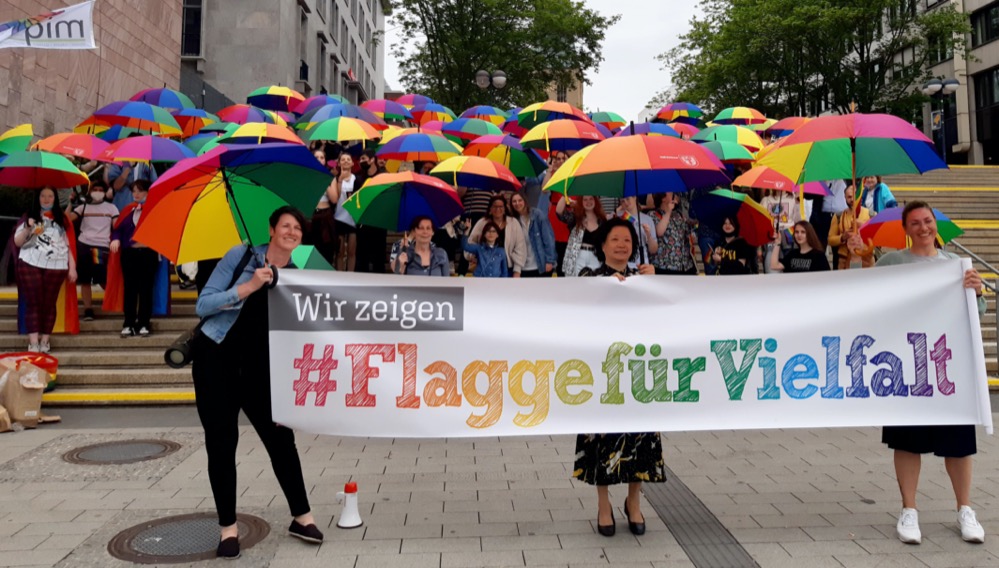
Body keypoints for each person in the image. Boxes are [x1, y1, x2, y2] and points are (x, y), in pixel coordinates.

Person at [194, 206, 323, 559]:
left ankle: (302, 516)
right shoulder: (240, 256)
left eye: (297, 227)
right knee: (221, 444)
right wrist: (248, 286)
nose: (292, 231)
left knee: (282, 440)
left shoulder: (296, 275)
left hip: (260, 372)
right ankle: (228, 530)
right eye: (285, 225)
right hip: (215, 361)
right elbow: (202, 305)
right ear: (271, 229)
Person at [876, 200, 987, 545]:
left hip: (948, 366)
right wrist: (856, 258)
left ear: (935, 224)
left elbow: (976, 312)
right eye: (915, 223)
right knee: (908, 440)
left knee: (958, 442)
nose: (923, 228)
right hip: (906, 366)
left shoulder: (956, 265)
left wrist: (977, 291)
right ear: (906, 230)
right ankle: (909, 509)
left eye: (927, 221)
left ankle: (965, 508)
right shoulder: (892, 262)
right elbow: (867, 297)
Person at [574, 217, 665, 537]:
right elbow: (576, 317)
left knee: (639, 438)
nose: (621, 245)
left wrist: (658, 281)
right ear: (602, 245)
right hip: (602, 374)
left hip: (638, 372)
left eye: (627, 240)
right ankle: (603, 505)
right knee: (602, 439)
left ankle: (633, 501)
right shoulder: (589, 278)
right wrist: (606, 288)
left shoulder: (644, 278)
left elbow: (668, 315)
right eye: (614, 239)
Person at [13, 186, 77, 353]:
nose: (47, 199)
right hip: (30, 262)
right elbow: (18, 242)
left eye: (50, 196)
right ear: (38, 198)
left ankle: (45, 341)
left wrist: (73, 267)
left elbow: (69, 245)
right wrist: (28, 227)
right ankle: (33, 342)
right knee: (33, 302)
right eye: (43, 196)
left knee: (49, 304)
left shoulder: (62, 220)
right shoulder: (29, 217)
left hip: (57, 265)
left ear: (55, 198)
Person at [110, 180, 159, 337]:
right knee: (130, 290)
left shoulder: (154, 210)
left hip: (148, 253)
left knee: (146, 289)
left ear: (147, 192)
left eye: (140, 191)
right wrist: (115, 239)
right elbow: (117, 228)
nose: (136, 194)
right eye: (134, 191)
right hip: (130, 254)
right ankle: (128, 323)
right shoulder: (127, 210)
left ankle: (144, 322)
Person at [67, 180, 119, 321]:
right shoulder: (83, 207)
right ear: (90, 192)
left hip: (102, 246)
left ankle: (115, 301)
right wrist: (70, 202)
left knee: (103, 278)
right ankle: (88, 309)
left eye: (100, 189)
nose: (97, 191)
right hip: (84, 244)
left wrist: (117, 237)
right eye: (95, 189)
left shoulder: (111, 208)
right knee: (85, 280)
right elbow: (67, 219)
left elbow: (117, 225)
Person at [468, 195, 527, 277]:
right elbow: (470, 241)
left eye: (501, 206)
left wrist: (517, 270)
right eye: (495, 206)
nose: (498, 209)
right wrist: (472, 256)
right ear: (490, 209)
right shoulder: (482, 222)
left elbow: (520, 247)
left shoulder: (513, 223)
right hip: (485, 270)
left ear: (505, 208)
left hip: (508, 270)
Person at [354, 149, 388, 273]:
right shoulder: (358, 179)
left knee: (378, 259)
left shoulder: (383, 177)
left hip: (379, 223)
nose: (361, 161)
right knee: (362, 258)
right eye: (360, 159)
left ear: (372, 159)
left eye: (363, 158)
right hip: (363, 223)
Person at [828, 182, 874, 269]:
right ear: (844, 197)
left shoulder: (870, 214)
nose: (852, 199)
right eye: (849, 197)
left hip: (866, 259)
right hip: (844, 261)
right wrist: (842, 237)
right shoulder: (838, 216)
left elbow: (877, 237)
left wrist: (864, 227)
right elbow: (830, 240)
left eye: (855, 196)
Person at [557, 195, 606, 277]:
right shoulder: (576, 217)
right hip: (578, 255)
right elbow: (559, 212)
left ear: (595, 201)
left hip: (596, 256)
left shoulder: (602, 219)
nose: (588, 202)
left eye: (591, 199)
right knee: (575, 284)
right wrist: (564, 194)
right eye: (585, 200)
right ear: (581, 202)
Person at [509, 192, 556, 277]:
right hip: (522, 268)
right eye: (514, 201)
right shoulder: (512, 220)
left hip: (540, 265)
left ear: (525, 201)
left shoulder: (538, 215)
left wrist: (550, 260)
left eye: (520, 200)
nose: (517, 203)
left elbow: (548, 239)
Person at [650, 192, 697, 275]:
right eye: (671, 193)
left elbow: (688, 232)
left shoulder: (679, 215)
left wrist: (693, 230)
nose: (674, 195)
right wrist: (668, 212)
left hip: (685, 266)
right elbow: (659, 232)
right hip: (664, 266)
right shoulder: (653, 215)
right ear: (663, 198)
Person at [309, 148, 338, 266]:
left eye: (322, 157)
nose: (319, 160)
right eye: (317, 157)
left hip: (326, 215)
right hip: (311, 215)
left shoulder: (330, 177)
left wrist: (324, 180)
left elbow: (334, 199)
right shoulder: (307, 175)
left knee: (326, 251)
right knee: (310, 248)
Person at [330, 152, 358, 271]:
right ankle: (339, 276)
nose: (346, 161)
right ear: (339, 163)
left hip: (352, 219)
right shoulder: (335, 179)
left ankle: (350, 277)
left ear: (352, 163)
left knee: (352, 252)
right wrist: (340, 180)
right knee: (339, 252)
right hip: (338, 218)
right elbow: (335, 198)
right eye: (343, 159)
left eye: (348, 159)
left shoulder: (357, 179)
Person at [615, 196, 657, 265]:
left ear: (635, 197)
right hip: (622, 262)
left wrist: (648, 235)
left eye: (628, 199)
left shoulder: (647, 219)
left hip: (641, 262)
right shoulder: (618, 217)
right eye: (622, 201)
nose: (625, 202)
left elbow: (653, 250)